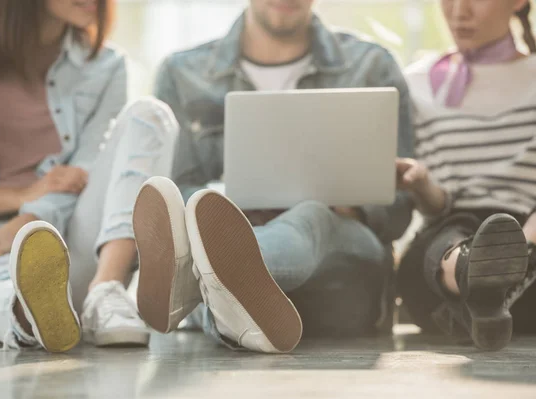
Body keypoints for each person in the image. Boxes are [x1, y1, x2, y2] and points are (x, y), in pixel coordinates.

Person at [133, 0, 415, 353]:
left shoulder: (373, 66)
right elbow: (176, 193)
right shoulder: (181, 73)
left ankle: (203, 282)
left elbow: (401, 206)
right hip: (260, 261)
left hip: (343, 270)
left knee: (312, 214)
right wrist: (229, 207)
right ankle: (226, 291)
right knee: (208, 218)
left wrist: (350, 208)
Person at [0, 0, 178, 351]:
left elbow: (83, 174)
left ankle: (105, 292)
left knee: (151, 115)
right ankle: (24, 313)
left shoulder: (105, 66)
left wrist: (25, 222)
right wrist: (21, 197)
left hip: (66, 242)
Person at [397, 0, 536, 351]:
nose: (460, 11)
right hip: (448, 232)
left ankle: (495, 278)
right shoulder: (414, 84)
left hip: (527, 223)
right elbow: (437, 206)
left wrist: (526, 239)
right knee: (443, 243)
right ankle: (471, 270)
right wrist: (421, 185)